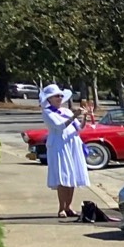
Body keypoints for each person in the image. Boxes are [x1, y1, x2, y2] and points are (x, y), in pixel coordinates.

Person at [40, 84, 89, 219]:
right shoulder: (47, 112)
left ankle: (69, 207)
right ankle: (61, 208)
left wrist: (84, 116)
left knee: (72, 175)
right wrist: (74, 116)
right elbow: (60, 126)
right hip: (58, 145)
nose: (59, 98)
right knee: (62, 175)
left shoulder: (66, 111)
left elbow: (79, 128)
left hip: (72, 144)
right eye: (56, 96)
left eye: (60, 96)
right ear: (49, 98)